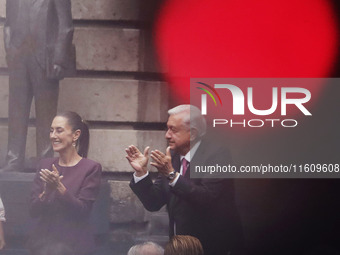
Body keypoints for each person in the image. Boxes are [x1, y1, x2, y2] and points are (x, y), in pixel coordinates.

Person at [126, 105, 243, 255]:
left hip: (212, 247)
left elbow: (207, 198)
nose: (167, 135)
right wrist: (141, 173)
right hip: (179, 249)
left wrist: (172, 175)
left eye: (173, 130)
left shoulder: (217, 155)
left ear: (193, 134)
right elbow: (153, 203)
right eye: (167, 129)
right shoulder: (173, 158)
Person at [1, 0, 74, 172]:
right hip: (19, 59)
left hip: (46, 60)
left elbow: (66, 26)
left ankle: (45, 160)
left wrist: (59, 59)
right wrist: (10, 51)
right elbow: (8, 25)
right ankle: (14, 158)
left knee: (46, 115)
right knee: (16, 112)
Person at [29, 112, 102, 255]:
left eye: (59, 130)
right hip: (43, 245)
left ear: (75, 135)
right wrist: (46, 192)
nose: (53, 135)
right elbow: (33, 211)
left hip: (74, 246)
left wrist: (59, 188)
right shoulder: (45, 164)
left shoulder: (91, 168)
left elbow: (83, 211)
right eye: (51, 130)